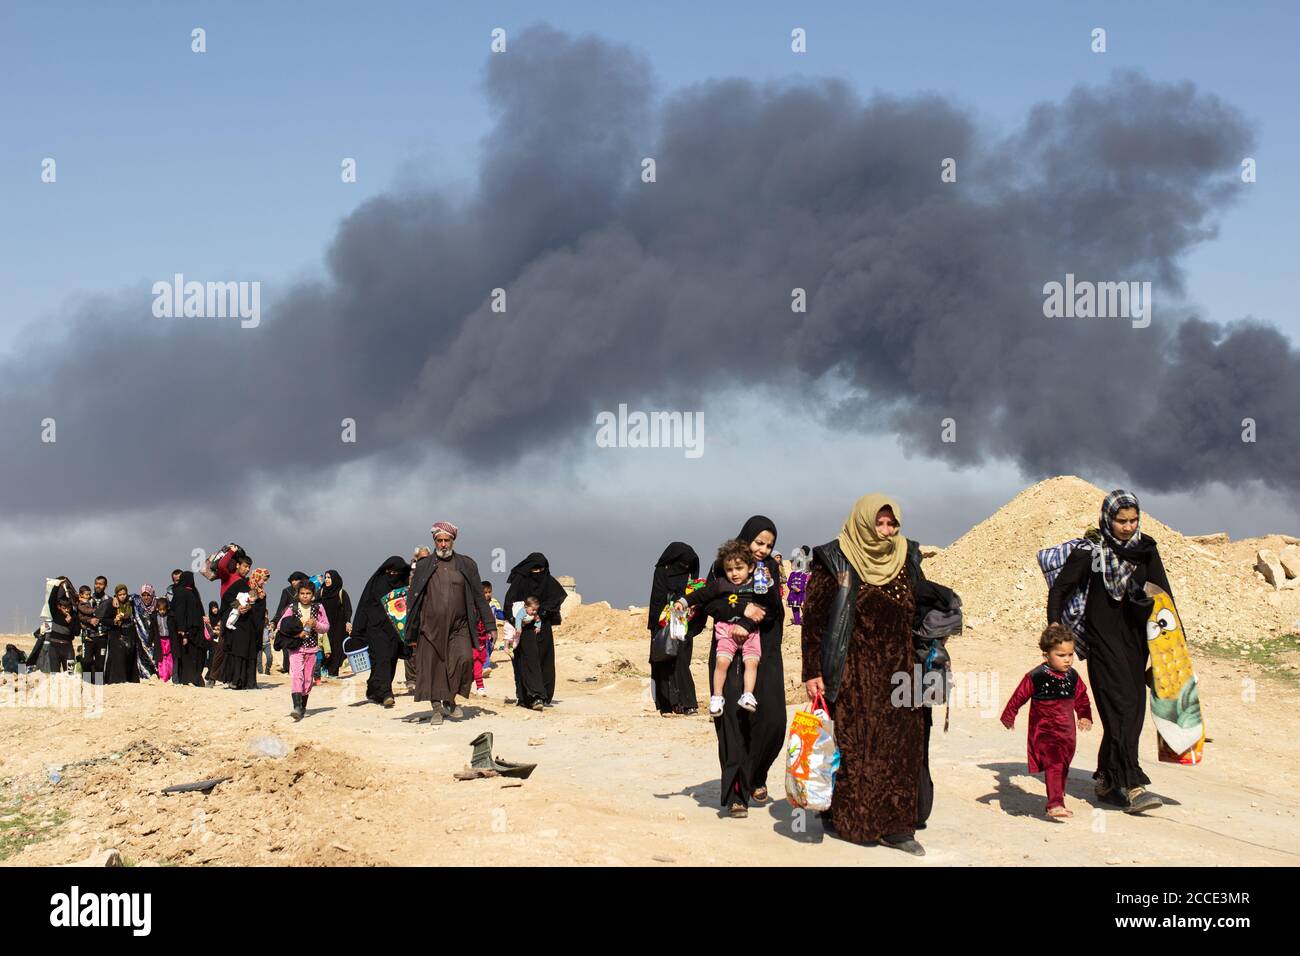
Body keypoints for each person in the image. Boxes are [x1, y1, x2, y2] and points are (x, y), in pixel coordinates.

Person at [801, 494, 925, 855]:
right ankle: (854, 820)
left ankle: (898, 826)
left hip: (901, 669)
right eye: (880, 523)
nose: (886, 531)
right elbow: (814, 620)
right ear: (863, 521)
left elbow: (922, 606)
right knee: (857, 746)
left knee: (902, 746)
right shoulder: (834, 557)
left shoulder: (907, 556)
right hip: (851, 668)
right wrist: (812, 670)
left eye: (892, 524)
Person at [1047, 489, 1169, 814]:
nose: (1128, 527)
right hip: (1102, 646)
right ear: (1107, 519)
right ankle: (1132, 785)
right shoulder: (1091, 552)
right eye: (1121, 520)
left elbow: (1163, 598)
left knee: (1133, 715)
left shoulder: (1146, 551)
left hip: (1136, 647)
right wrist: (1054, 631)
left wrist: (1169, 651)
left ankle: (1105, 776)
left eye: (1133, 520)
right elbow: (1061, 589)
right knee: (1121, 713)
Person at [706, 516, 785, 815]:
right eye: (758, 542)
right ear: (746, 538)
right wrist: (740, 608)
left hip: (764, 649)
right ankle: (737, 792)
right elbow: (710, 602)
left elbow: (775, 607)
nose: (763, 550)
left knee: (774, 722)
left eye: (769, 545)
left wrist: (754, 612)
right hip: (728, 651)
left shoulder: (771, 569)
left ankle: (756, 775)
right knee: (734, 720)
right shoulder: (723, 565)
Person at [405, 522, 496, 725]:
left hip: (460, 626)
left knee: (464, 659)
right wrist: (410, 629)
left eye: (447, 540)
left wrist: (490, 625)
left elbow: (479, 596)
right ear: (434, 541)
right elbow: (413, 598)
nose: (443, 544)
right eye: (439, 540)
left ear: (453, 541)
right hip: (429, 627)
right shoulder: (424, 565)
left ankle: (450, 698)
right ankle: (437, 707)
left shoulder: (467, 564)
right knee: (433, 667)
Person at [1001, 623, 1094, 818]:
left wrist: (1084, 715)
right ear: (1046, 656)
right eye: (1061, 655)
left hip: (1067, 734)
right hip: (1045, 731)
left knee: (1064, 763)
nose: (1067, 660)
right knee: (1055, 763)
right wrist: (1009, 714)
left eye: (1070, 655)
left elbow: (1082, 697)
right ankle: (1054, 804)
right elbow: (1019, 696)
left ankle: (1057, 794)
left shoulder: (1072, 676)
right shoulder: (1037, 676)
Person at [681, 539, 779, 719]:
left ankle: (748, 695)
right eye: (729, 569)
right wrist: (683, 601)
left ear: (750, 568)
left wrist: (770, 581)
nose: (734, 573)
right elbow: (701, 594)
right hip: (726, 632)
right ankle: (717, 697)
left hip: (751, 633)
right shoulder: (720, 585)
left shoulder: (757, 584)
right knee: (722, 662)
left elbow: (769, 604)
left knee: (751, 663)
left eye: (739, 568)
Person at [503, 552, 567, 712]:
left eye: (541, 569)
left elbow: (555, 600)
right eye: (534, 569)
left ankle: (542, 695)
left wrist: (541, 613)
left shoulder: (549, 583)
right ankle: (532, 696)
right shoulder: (520, 581)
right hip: (524, 630)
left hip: (542, 628)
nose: (537, 572)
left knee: (544, 661)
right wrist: (517, 621)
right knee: (528, 661)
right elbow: (509, 603)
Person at [647, 542, 704, 716]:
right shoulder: (661, 572)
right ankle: (667, 705)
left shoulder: (689, 578)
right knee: (663, 662)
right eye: (682, 565)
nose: (684, 569)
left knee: (681, 662)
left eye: (688, 566)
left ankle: (687, 704)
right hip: (662, 625)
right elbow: (658, 600)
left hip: (683, 626)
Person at [353, 556, 411, 707]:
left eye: (396, 572)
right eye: (389, 571)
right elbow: (364, 607)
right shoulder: (376, 584)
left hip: (394, 631)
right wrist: (357, 631)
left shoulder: (404, 585)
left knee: (390, 660)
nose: (393, 575)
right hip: (376, 630)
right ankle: (386, 693)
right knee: (382, 658)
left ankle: (374, 690)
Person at [277, 579, 330, 719]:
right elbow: (280, 625)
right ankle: (296, 706)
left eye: (308, 593)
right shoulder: (292, 608)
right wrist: (296, 631)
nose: (305, 596)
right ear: (298, 594)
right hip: (295, 648)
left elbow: (326, 627)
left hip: (312, 648)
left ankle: (303, 706)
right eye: (302, 593)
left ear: (313, 594)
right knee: (297, 676)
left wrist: (315, 624)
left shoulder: (319, 608)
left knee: (307, 680)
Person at [218, 559, 262, 690]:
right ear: (238, 565)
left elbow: (252, 601)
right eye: (245, 566)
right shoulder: (234, 581)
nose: (247, 569)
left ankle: (245, 681)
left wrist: (248, 607)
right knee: (236, 651)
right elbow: (227, 598)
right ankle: (234, 679)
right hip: (235, 623)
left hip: (247, 623)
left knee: (245, 651)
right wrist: (238, 607)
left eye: (249, 567)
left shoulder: (248, 583)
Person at [170, 572, 207, 687]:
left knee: (197, 655)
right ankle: (187, 678)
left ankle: (194, 678)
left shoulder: (192, 592)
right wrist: (182, 630)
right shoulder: (181, 592)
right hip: (187, 631)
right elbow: (180, 612)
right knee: (187, 655)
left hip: (196, 631)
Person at [99, 584, 140, 684]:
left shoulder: (130, 603)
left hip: (129, 634)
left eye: (124, 594)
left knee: (130, 657)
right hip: (116, 635)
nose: (122, 596)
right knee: (117, 660)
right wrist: (114, 620)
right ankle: (116, 681)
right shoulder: (112, 605)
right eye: (120, 594)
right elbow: (103, 620)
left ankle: (130, 680)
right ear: (116, 594)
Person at [274, 572, 310, 674]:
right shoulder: (286, 591)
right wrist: (276, 621)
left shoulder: (307, 591)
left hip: (304, 622)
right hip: (289, 623)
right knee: (287, 645)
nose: (294, 582)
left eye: (296, 579)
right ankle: (287, 667)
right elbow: (281, 607)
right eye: (292, 580)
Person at [320, 570, 352, 678]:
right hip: (325, 625)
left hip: (338, 626)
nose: (327, 580)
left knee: (337, 648)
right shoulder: (321, 592)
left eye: (329, 577)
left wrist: (348, 621)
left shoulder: (341, 592)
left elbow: (348, 609)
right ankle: (324, 667)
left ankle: (333, 672)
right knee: (325, 647)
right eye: (326, 577)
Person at [129, 585, 161, 680]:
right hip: (141, 638)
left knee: (156, 658)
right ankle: (146, 677)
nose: (146, 597)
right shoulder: (136, 602)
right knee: (143, 658)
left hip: (156, 638)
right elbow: (123, 595)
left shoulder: (158, 603)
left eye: (148, 595)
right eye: (143, 595)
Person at [153, 596, 175, 682]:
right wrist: (149, 641)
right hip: (160, 640)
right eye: (160, 609)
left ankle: (169, 674)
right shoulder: (155, 617)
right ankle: (162, 675)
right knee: (161, 658)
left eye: (163, 610)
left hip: (168, 639)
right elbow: (153, 629)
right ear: (157, 609)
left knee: (169, 657)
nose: (162, 612)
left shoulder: (170, 616)